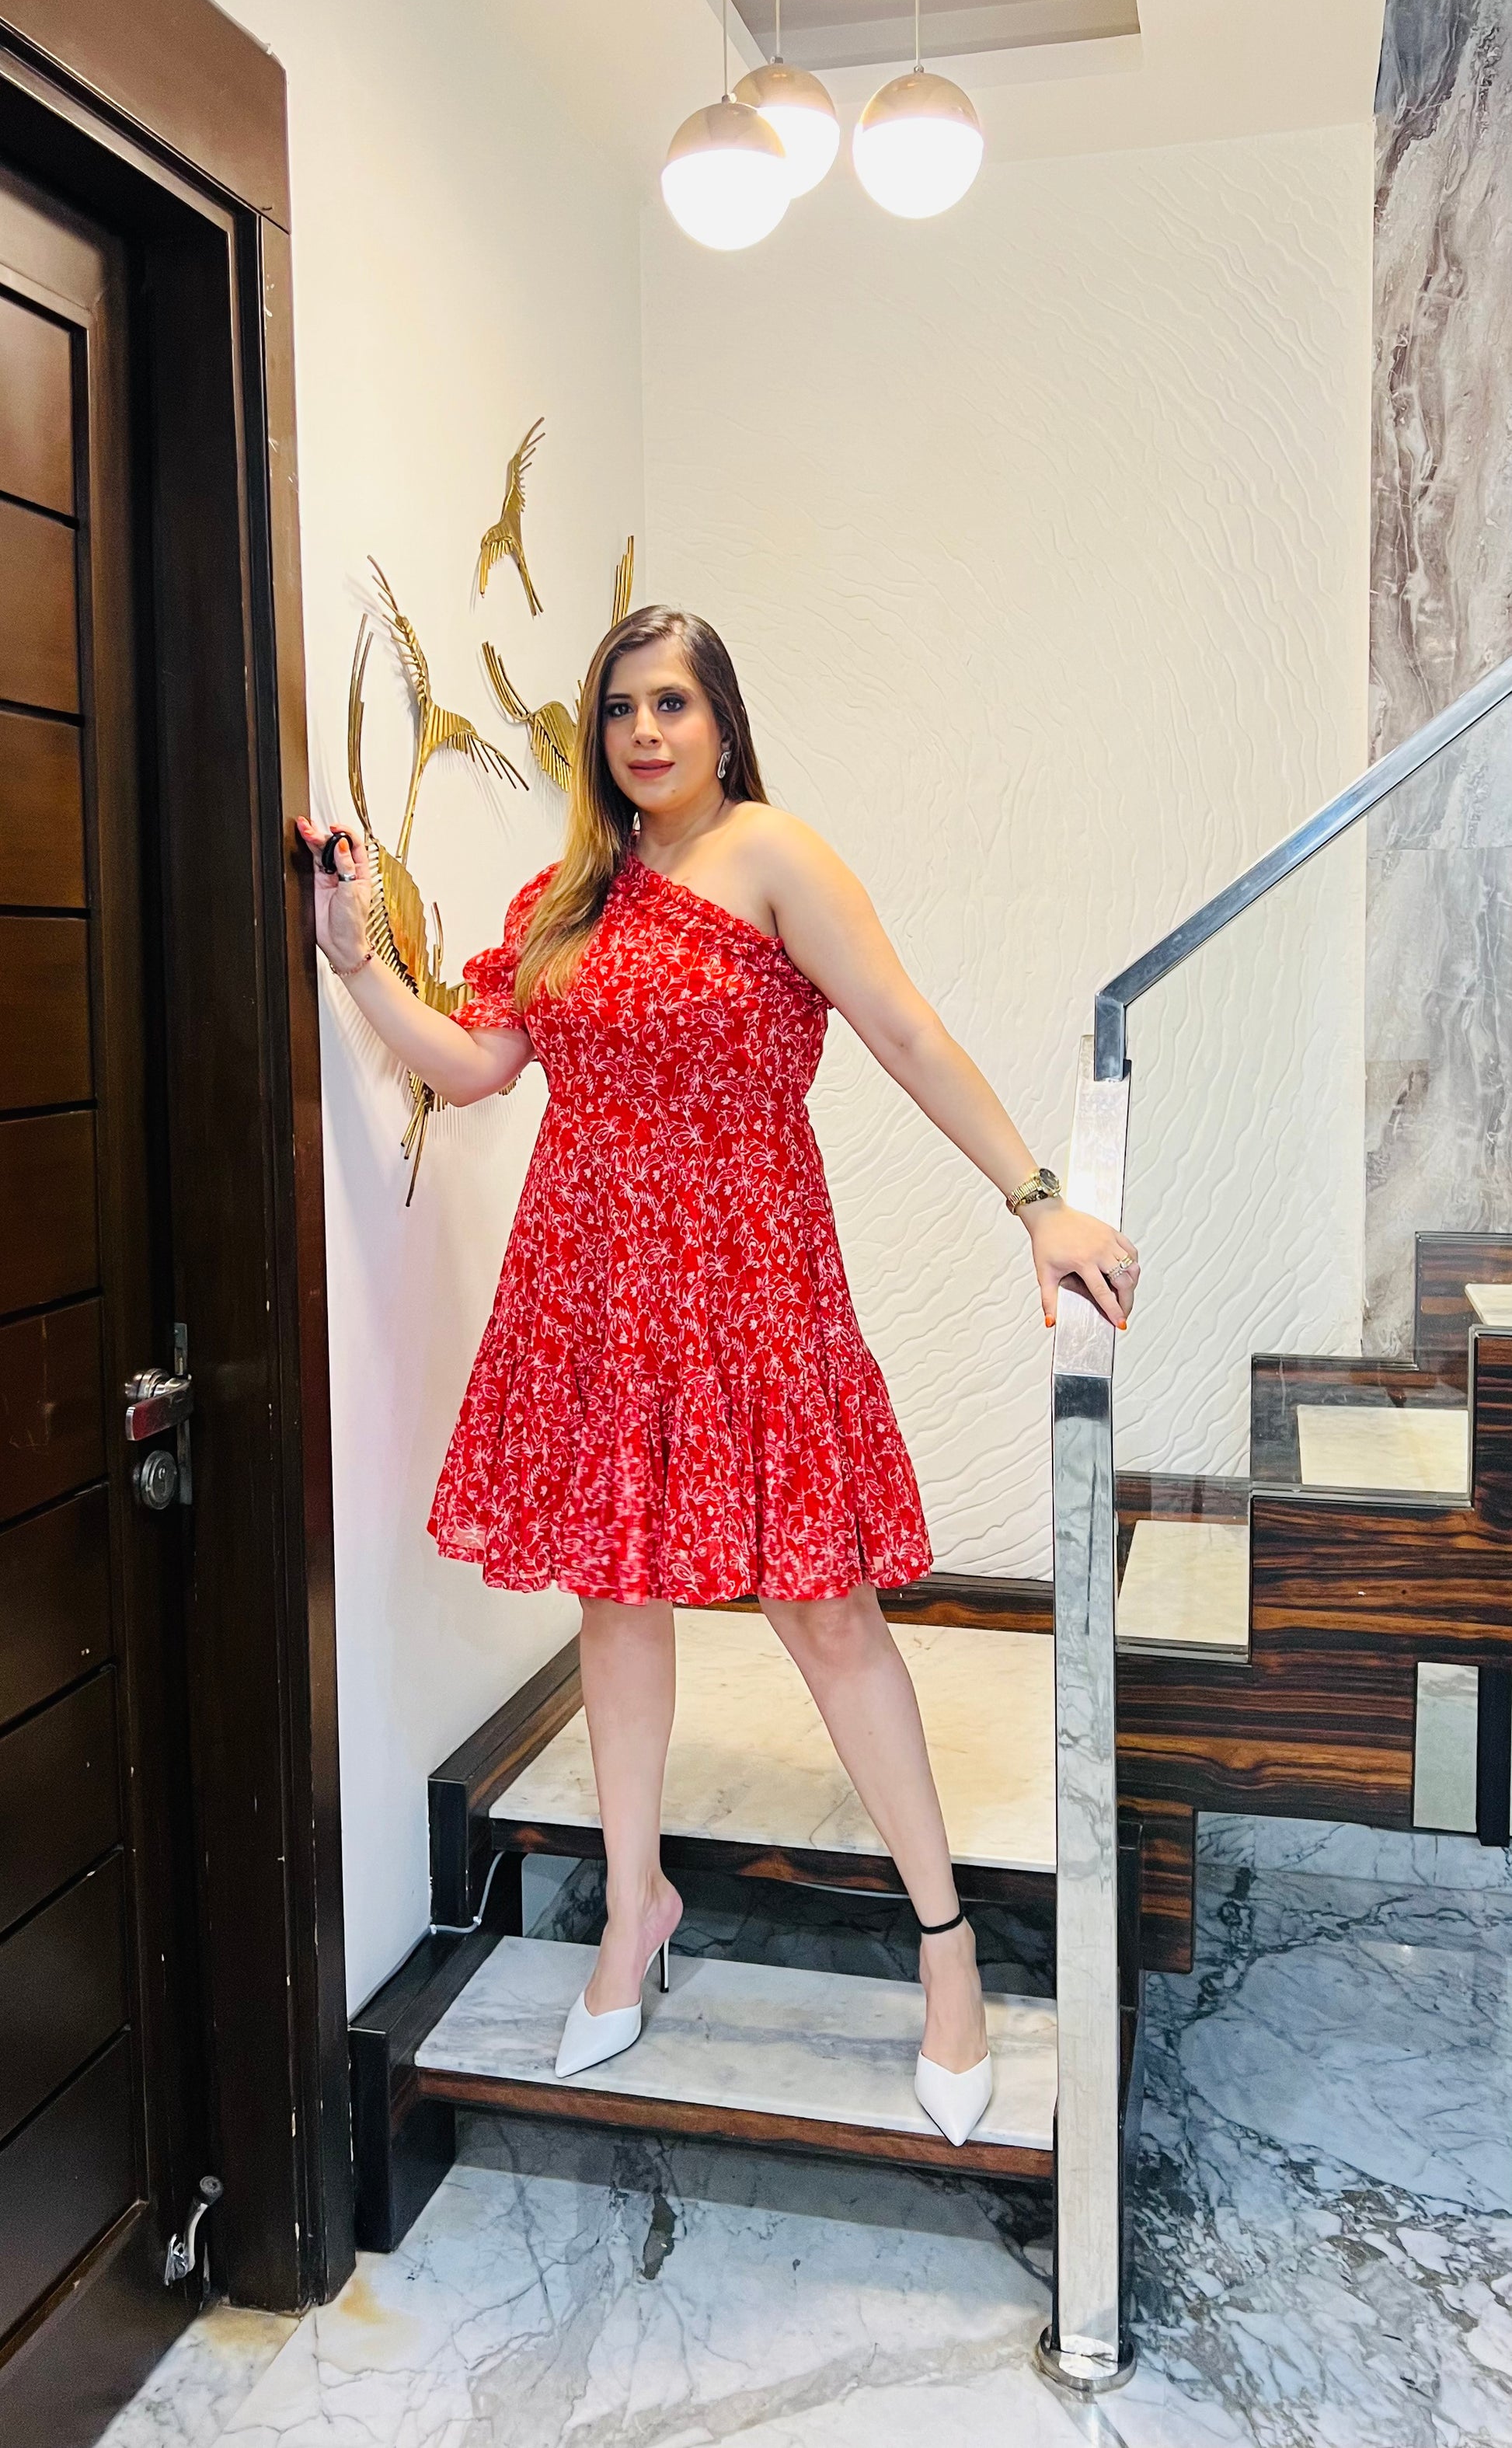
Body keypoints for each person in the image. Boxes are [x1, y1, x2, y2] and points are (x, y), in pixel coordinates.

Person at [298, 605, 1139, 2147]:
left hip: (749, 1277)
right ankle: (634, 1906)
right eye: (620, 706)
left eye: (672, 702)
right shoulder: (565, 895)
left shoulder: (774, 855)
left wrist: (1036, 1199)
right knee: (615, 1600)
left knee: (824, 1609)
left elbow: (901, 1030)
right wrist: (353, 959)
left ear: (722, 721)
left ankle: (946, 1947)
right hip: (590, 1284)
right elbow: (476, 1066)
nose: (644, 731)